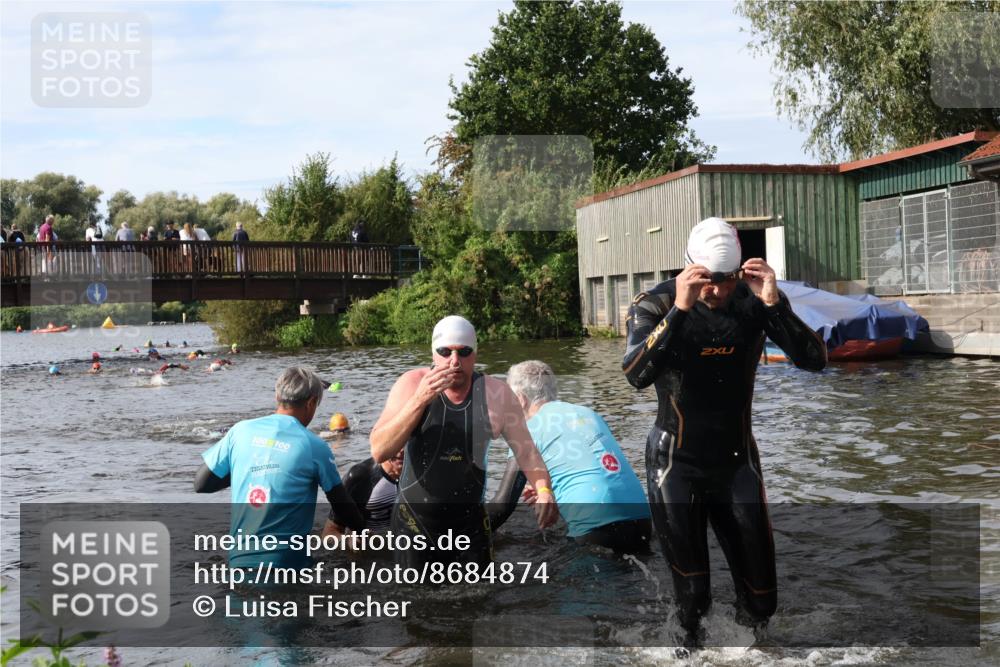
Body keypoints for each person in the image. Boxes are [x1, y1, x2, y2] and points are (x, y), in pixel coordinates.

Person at [622, 217, 827, 646]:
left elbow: (815, 360)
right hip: (676, 464)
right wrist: (680, 310)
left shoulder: (753, 301)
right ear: (689, 268)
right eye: (708, 280)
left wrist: (775, 307)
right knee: (693, 601)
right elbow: (635, 374)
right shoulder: (656, 303)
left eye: (727, 280)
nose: (717, 290)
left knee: (762, 602)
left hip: (736, 463)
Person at [370, 315, 557, 567]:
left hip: (470, 526)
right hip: (415, 523)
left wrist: (544, 490)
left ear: (475, 354)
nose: (454, 361)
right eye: (445, 352)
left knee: (481, 602)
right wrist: (419, 400)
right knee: (416, 603)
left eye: (464, 351)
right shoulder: (410, 384)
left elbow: (527, 453)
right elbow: (379, 451)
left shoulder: (498, 395)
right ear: (434, 354)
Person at [194, 367, 364, 568]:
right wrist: (363, 529)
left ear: (277, 396)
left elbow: (201, 483)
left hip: (239, 561)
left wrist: (249, 467)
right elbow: (341, 505)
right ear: (311, 403)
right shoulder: (314, 446)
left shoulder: (240, 431)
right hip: (287, 564)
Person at [491, 360, 652, 555]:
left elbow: (502, 505)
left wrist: (459, 536)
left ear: (520, 399)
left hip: (596, 528)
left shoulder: (527, 430)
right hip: (643, 520)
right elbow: (591, 469)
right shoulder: (589, 413)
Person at [325, 450, 404, 537]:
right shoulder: (360, 477)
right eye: (397, 441)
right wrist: (346, 541)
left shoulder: (420, 474)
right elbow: (329, 532)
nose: (402, 449)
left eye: (407, 441)